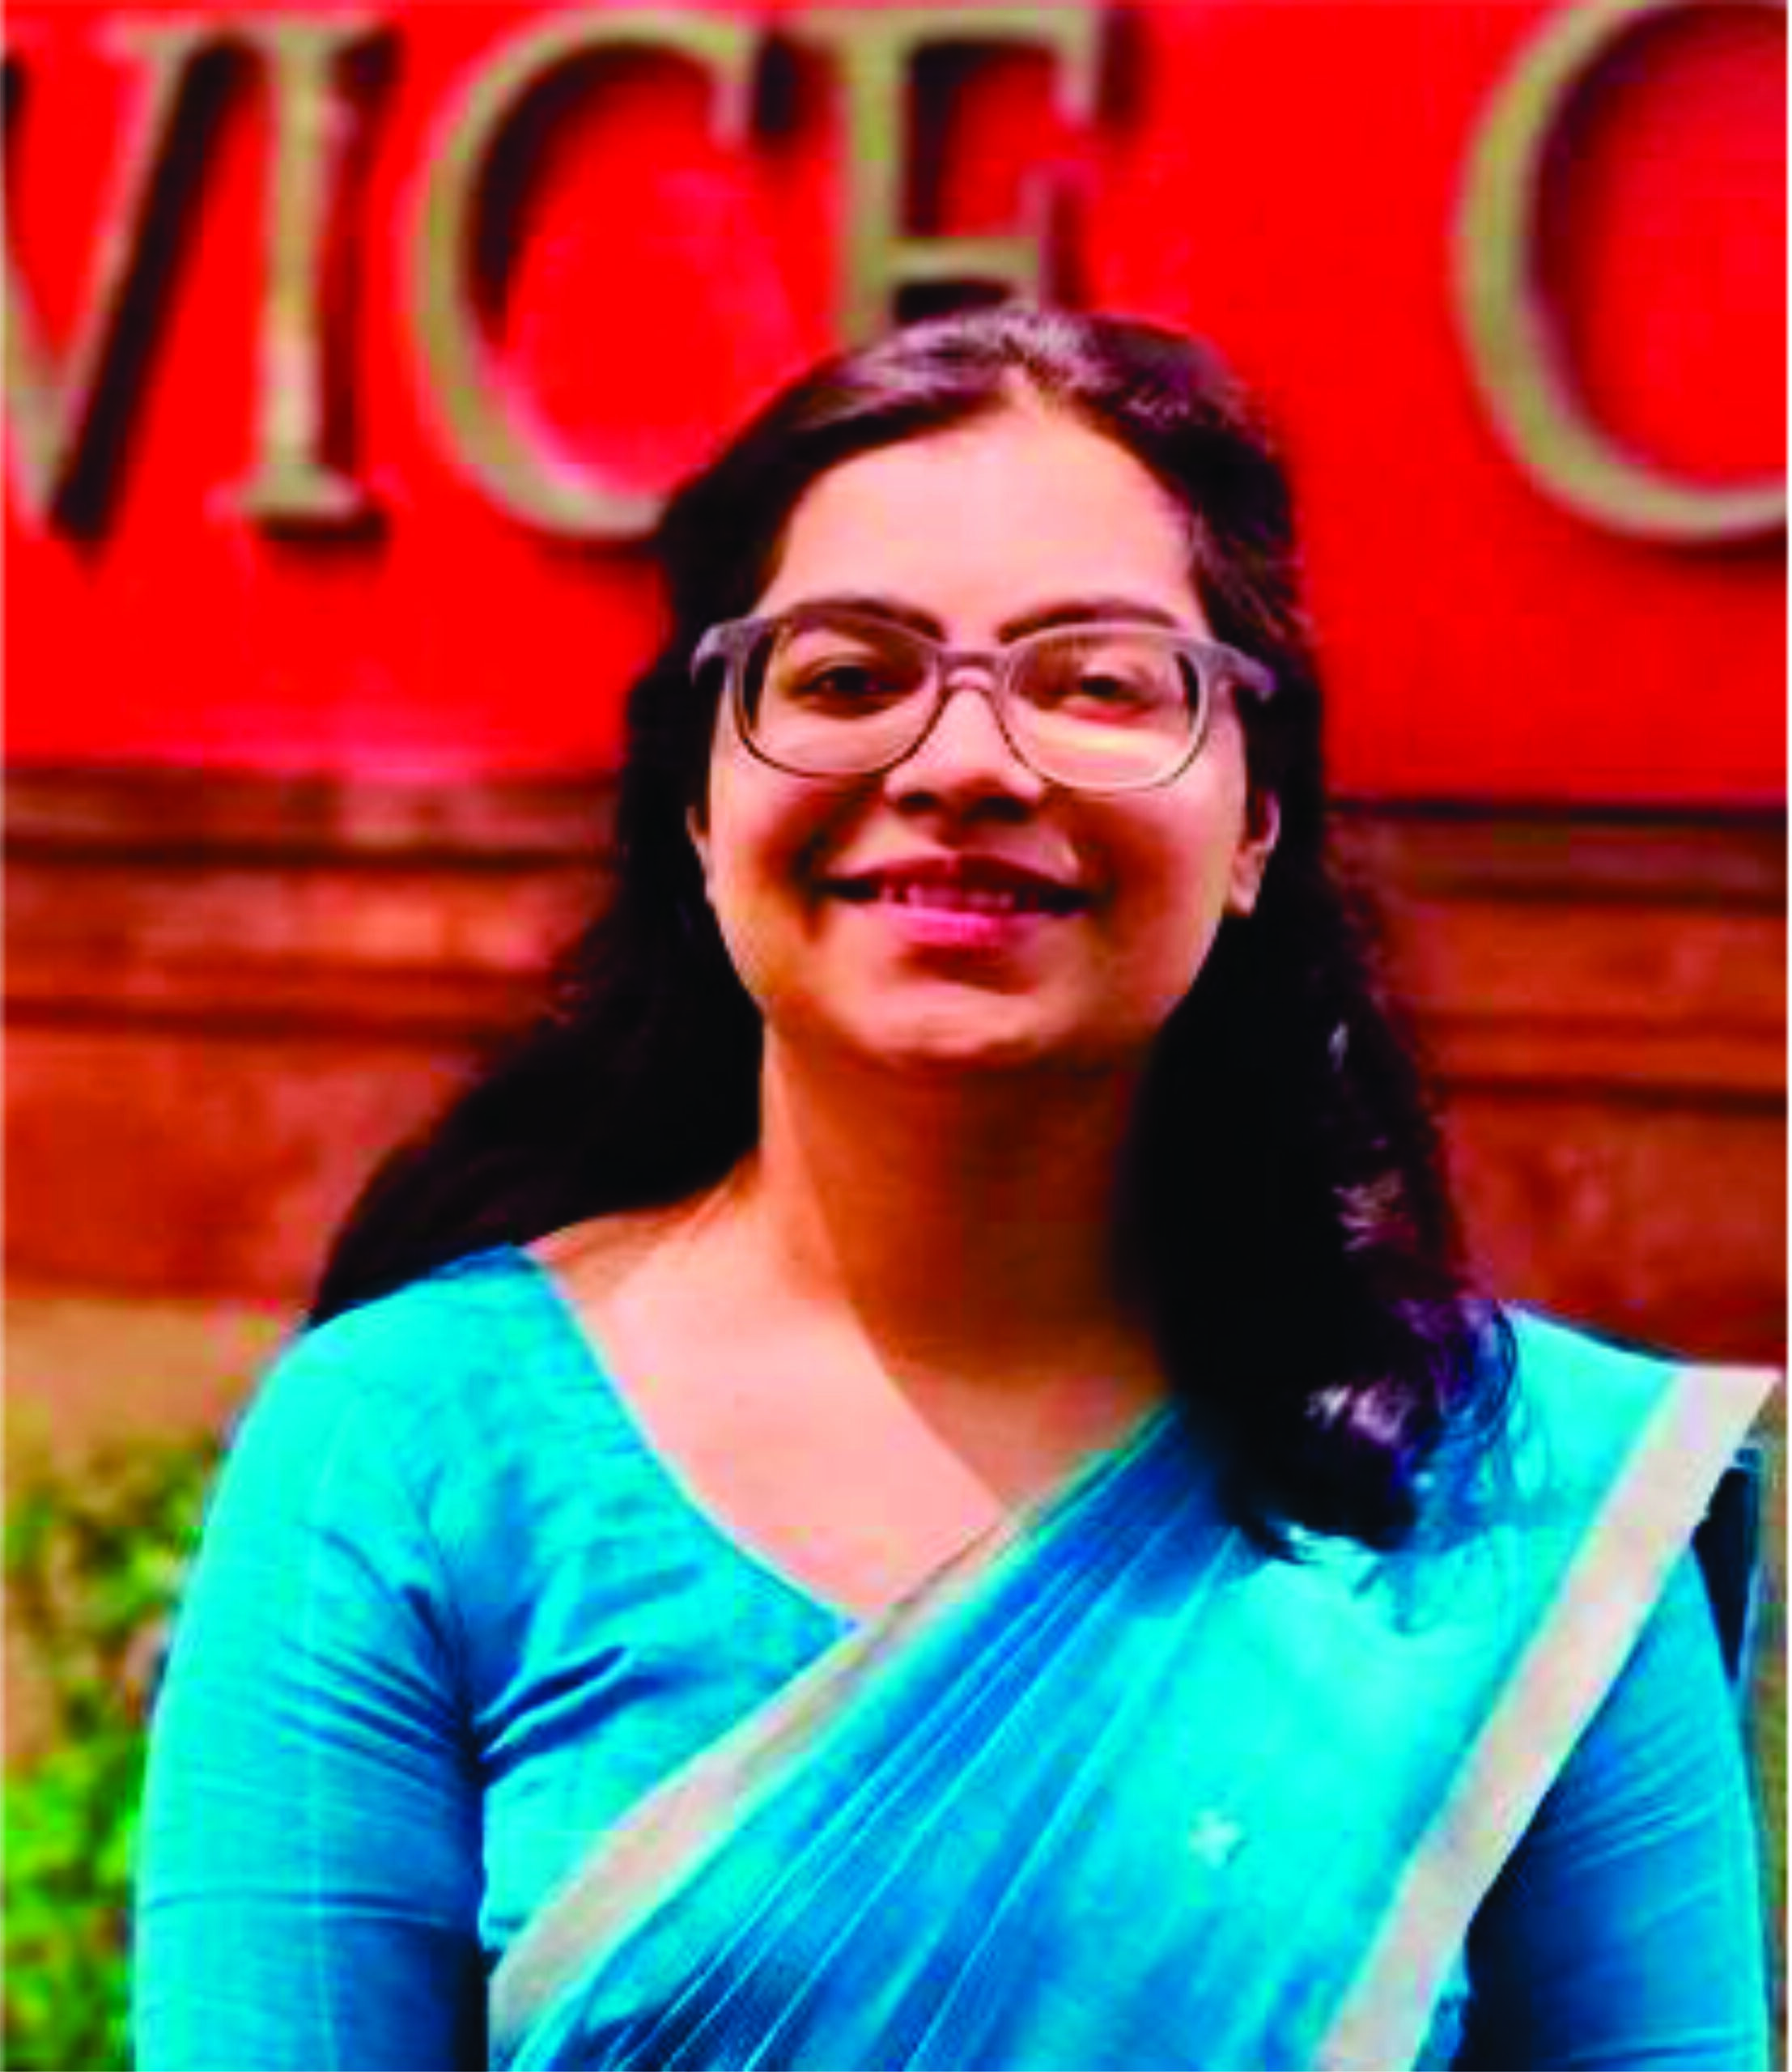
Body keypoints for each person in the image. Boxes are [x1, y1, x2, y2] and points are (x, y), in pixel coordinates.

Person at [134, 306, 1772, 2071]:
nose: (964, 764)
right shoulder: (409, 1447)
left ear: (1255, 823)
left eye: (1096, 682)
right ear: (698, 805)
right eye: (848, 679)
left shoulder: (1512, 1496)